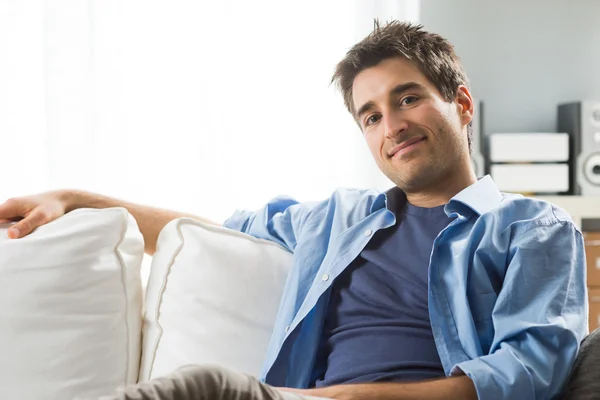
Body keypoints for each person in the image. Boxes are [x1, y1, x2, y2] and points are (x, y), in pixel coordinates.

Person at [0, 21, 588, 400]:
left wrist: (368, 399)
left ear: (460, 104)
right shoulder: (335, 220)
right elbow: (203, 229)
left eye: (408, 97)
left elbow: (536, 364)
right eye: (372, 115)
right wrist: (76, 199)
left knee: (206, 389)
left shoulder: (531, 228)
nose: (393, 124)